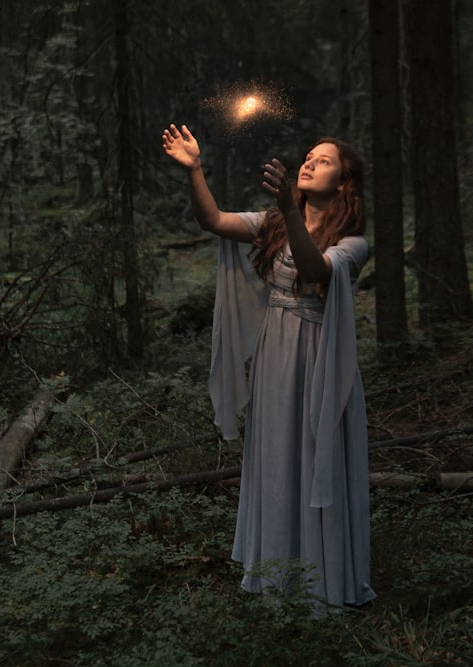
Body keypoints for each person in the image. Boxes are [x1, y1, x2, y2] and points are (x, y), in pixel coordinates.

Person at [162, 123, 375, 609]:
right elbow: (213, 220)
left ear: (343, 184)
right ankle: (278, 580)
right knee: (278, 455)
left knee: (316, 455)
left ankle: (322, 582)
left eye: (323, 161)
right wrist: (195, 170)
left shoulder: (354, 243)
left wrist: (286, 210)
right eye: (309, 156)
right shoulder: (275, 222)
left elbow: (315, 270)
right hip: (275, 354)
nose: (309, 163)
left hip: (321, 359)